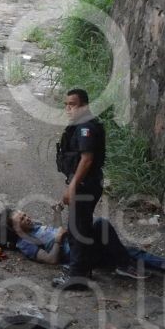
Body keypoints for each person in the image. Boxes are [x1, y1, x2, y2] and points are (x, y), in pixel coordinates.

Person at [0, 208, 165, 279]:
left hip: (77, 244)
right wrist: (57, 239)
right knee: (101, 224)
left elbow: (58, 231)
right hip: (77, 254)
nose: (26, 217)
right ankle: (124, 265)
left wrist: (57, 218)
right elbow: (51, 259)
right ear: (13, 231)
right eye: (21, 220)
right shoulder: (24, 244)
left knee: (133, 254)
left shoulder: (34, 227)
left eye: (23, 214)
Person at [53, 88, 106, 289]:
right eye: (66, 104)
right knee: (79, 227)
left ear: (84, 106)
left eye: (72, 104)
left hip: (85, 184)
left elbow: (87, 158)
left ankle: (78, 277)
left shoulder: (86, 126)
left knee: (78, 229)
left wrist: (73, 186)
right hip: (83, 183)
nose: (68, 108)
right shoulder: (81, 124)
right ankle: (82, 269)